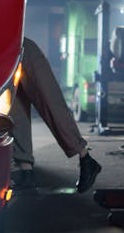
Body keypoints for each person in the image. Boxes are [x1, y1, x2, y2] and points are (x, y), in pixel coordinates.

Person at [9, 38, 102, 192]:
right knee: (16, 108)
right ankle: (26, 171)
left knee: (49, 101)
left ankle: (86, 159)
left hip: (20, 47)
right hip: (4, 52)